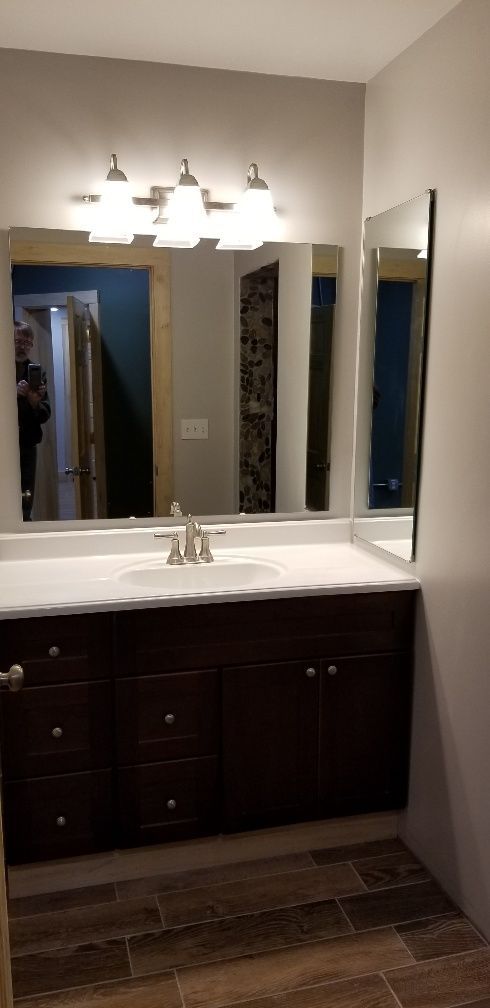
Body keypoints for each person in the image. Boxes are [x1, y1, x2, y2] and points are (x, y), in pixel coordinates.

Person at [14, 320, 51, 520]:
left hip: (27, 444)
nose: (23, 346)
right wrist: (14, 394)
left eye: (28, 342)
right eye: (18, 341)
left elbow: (46, 414)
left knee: (26, 499)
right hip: (5, 446)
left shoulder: (36, 371)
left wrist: (34, 402)